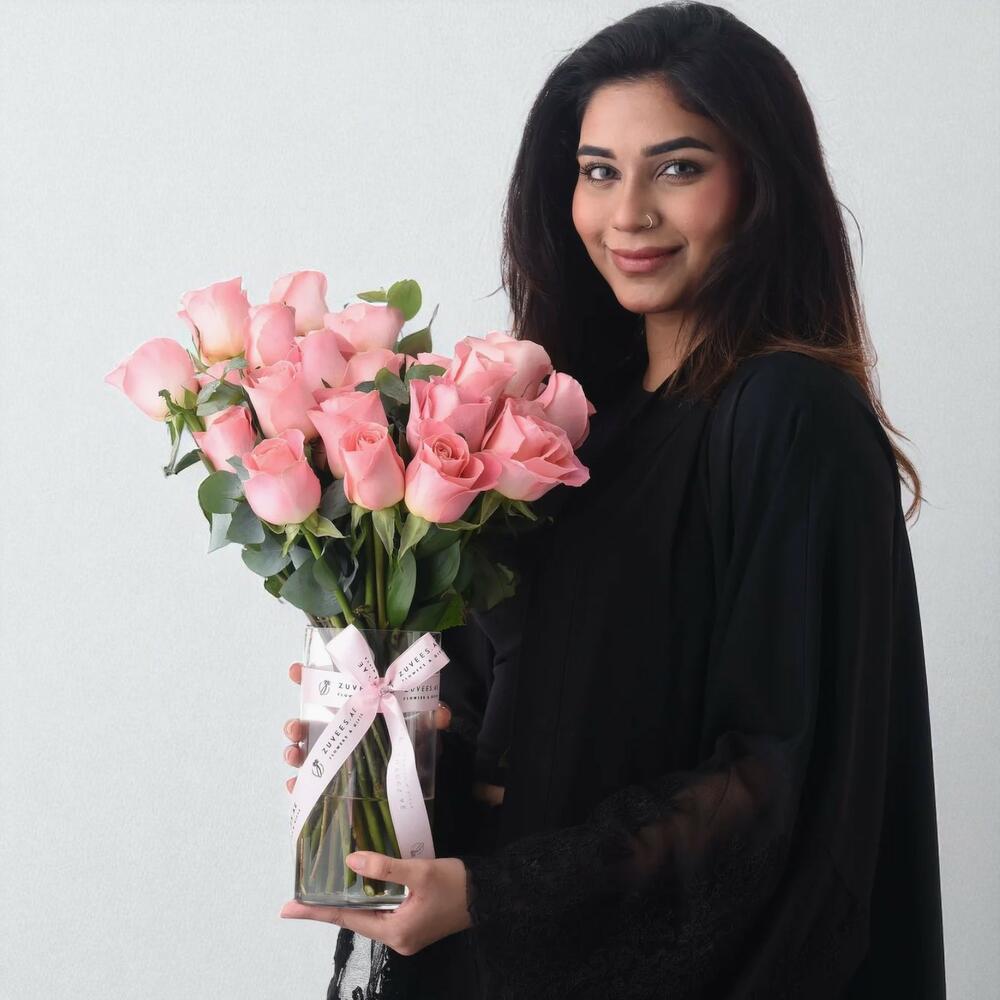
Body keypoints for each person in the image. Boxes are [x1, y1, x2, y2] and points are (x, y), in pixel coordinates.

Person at [278, 3, 947, 997]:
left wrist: (494, 895)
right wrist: (389, 745)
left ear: (759, 184)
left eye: (677, 168)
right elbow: (538, 714)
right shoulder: (570, 423)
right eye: (598, 171)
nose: (627, 213)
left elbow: (771, 782)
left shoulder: (786, 416)